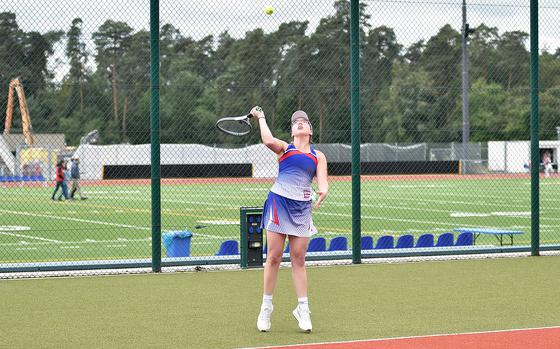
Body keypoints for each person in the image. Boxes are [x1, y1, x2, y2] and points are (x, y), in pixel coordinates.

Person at [251, 106, 328, 333]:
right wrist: (261, 117)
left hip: (301, 208)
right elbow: (267, 140)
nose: (300, 123)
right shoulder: (285, 148)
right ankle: (266, 308)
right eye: (296, 122)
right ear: (293, 131)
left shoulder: (317, 156)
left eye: (304, 121)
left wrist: (323, 190)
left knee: (298, 259)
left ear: (310, 130)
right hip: (278, 203)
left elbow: (322, 181)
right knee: (274, 257)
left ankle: (303, 309)